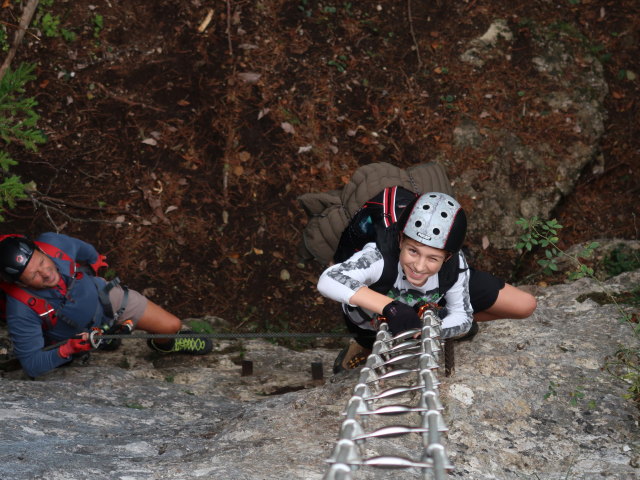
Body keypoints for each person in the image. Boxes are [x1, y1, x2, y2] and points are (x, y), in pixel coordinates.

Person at [317, 192, 537, 373]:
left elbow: (463, 317)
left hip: (431, 301)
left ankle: (431, 315)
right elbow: (329, 280)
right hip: (373, 316)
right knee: (370, 334)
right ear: (401, 240)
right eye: (413, 251)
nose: (420, 267)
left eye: (433, 258)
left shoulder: (453, 265)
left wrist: (429, 330)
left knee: (525, 305)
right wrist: (390, 307)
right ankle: (363, 346)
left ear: (447, 257)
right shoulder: (378, 256)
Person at [0, 232, 212, 378]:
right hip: (71, 335)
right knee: (67, 356)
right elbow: (31, 365)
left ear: (41, 251)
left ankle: (164, 345)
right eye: (34, 275)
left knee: (171, 326)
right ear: (20, 282)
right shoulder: (21, 310)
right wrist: (67, 349)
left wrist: (94, 262)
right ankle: (103, 341)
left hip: (105, 299)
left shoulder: (54, 244)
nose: (46, 273)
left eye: (42, 263)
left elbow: (86, 251)